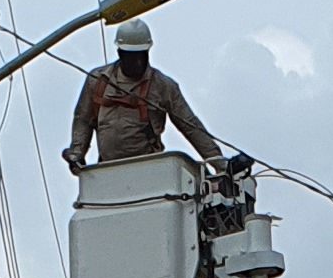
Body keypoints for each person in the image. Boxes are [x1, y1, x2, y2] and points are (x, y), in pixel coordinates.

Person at [64, 17, 226, 173]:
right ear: (120, 53)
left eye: (141, 56)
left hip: (150, 172)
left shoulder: (162, 86)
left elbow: (191, 126)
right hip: (109, 171)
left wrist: (219, 164)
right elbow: (83, 119)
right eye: (131, 57)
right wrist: (77, 153)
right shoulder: (98, 81)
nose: (138, 62)